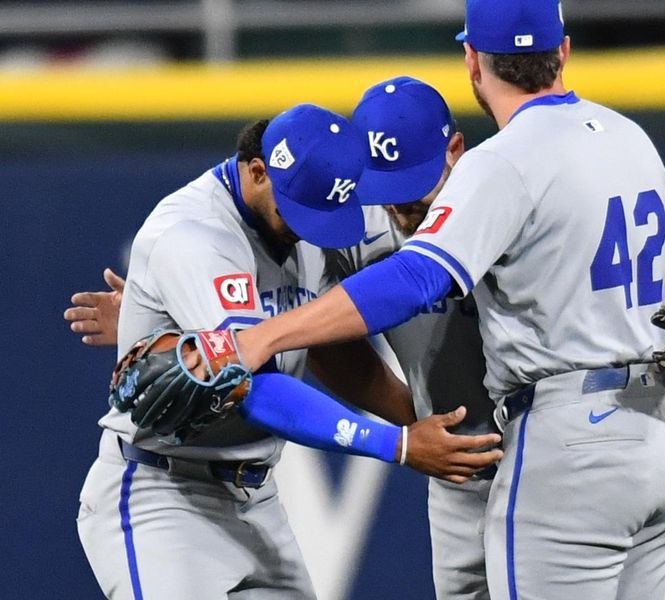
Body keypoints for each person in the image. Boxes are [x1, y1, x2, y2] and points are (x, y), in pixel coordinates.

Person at [207, 3, 665, 598]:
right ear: (563, 51)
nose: (402, 209)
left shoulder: (500, 171)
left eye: (415, 190)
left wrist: (264, 336)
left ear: (472, 64)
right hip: (620, 437)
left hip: (560, 444)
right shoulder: (627, 138)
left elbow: (416, 276)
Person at [74, 103, 501, 600]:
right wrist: (398, 445)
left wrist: (416, 415)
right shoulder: (195, 238)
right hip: (162, 494)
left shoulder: (308, 206)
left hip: (254, 496)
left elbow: (326, 347)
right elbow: (251, 386)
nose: (310, 229)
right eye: (299, 213)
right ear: (258, 171)